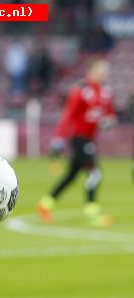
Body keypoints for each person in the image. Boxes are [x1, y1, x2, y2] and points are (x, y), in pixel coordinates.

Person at [36, 58, 116, 226]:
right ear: (91, 71)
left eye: (106, 69)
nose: (104, 72)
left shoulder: (106, 92)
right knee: (95, 173)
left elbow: (109, 115)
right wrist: (58, 139)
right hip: (79, 138)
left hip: (90, 140)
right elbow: (68, 115)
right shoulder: (81, 90)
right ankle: (92, 212)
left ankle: (45, 204)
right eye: (101, 69)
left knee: (71, 176)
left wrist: (109, 121)